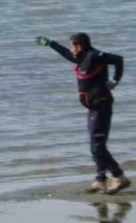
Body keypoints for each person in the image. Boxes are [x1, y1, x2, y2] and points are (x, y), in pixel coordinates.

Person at [35, 32, 130, 194]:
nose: (71, 49)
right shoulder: (82, 58)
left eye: (72, 45)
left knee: (97, 146)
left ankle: (119, 176)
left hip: (101, 105)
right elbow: (66, 54)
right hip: (93, 107)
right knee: (96, 145)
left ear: (80, 46)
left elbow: (118, 59)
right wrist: (51, 44)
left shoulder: (95, 56)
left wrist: (115, 80)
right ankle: (100, 180)